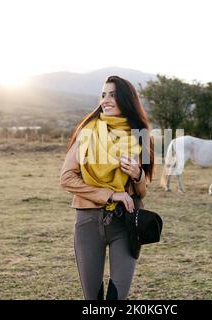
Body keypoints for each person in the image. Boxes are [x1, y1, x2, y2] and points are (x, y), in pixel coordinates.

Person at [60, 75, 154, 300]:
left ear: (126, 99)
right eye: (103, 95)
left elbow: (142, 190)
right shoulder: (87, 132)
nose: (106, 100)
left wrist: (138, 175)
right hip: (88, 223)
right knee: (93, 300)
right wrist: (111, 194)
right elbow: (66, 178)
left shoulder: (139, 135)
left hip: (126, 223)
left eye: (113, 95)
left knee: (116, 299)